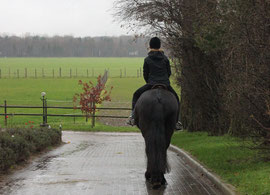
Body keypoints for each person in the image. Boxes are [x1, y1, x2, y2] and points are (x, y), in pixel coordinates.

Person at [127, 37, 182, 129]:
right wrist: (164, 81)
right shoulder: (165, 58)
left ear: (150, 46)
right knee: (176, 99)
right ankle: (177, 121)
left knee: (136, 94)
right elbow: (168, 72)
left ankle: (132, 117)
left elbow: (145, 74)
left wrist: (149, 82)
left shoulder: (147, 59)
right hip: (165, 84)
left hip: (151, 83)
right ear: (159, 46)